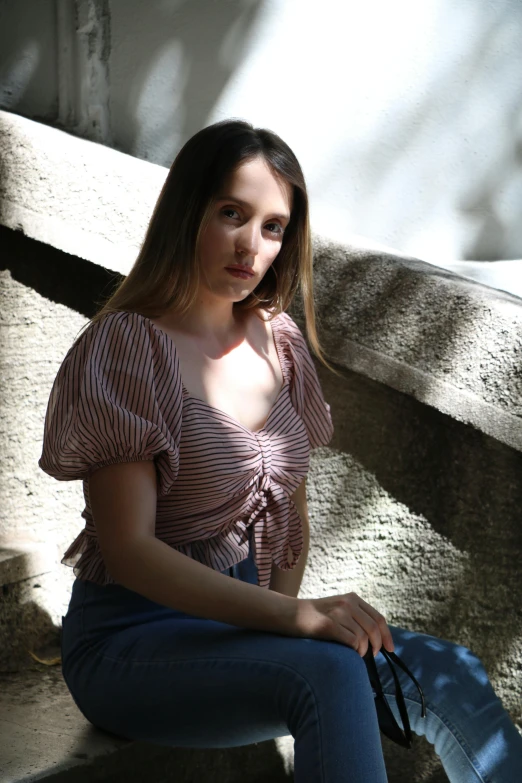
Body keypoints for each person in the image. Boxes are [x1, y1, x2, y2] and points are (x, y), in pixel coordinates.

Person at [39, 119, 522, 783]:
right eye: (232, 214)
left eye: (273, 226)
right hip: (132, 644)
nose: (252, 245)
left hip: (241, 629)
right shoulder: (127, 347)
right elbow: (129, 550)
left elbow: (290, 519)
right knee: (328, 671)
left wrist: (283, 620)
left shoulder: (278, 339)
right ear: (188, 213)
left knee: (450, 670)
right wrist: (293, 619)